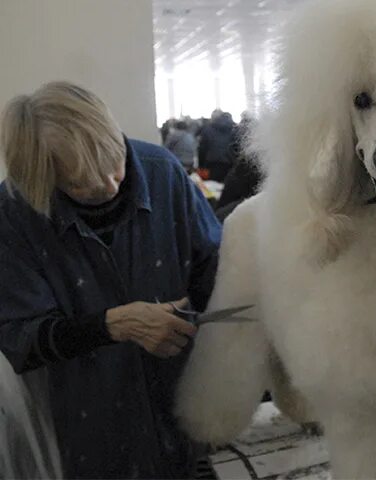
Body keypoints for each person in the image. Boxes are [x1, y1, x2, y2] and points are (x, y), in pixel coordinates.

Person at [0, 82, 222, 478]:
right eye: (81, 183)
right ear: (43, 181)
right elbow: (21, 336)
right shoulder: (15, 214)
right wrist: (114, 325)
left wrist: (203, 314)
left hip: (182, 407)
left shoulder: (161, 170)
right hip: (91, 429)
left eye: (115, 162)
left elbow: (212, 264)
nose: (110, 185)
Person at [198, 109, 237, 182]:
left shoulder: (207, 129)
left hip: (212, 163)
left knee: (212, 188)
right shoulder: (234, 129)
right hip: (230, 163)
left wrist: (201, 166)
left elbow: (202, 149)